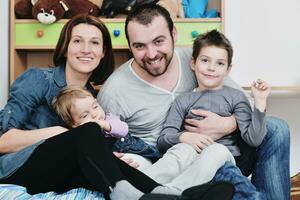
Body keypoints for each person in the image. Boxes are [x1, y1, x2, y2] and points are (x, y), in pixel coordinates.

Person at [0, 14, 232, 200]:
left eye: (94, 43)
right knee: (89, 131)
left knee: (107, 156)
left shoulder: (94, 97)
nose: (86, 49)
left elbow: (100, 143)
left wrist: (112, 156)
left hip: (60, 172)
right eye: (77, 41)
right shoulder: (38, 79)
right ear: (65, 47)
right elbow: (3, 141)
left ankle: (170, 195)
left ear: (103, 53)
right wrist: (61, 133)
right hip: (17, 169)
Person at [97, 3, 290, 200]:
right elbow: (100, 140)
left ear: (174, 34)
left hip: (225, 151)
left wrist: (227, 124)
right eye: (140, 46)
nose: (152, 54)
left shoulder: (199, 59)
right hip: (171, 159)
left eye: (158, 41)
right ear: (130, 45)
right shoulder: (115, 90)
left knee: (276, 128)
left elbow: (244, 105)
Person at [157, 29, 271, 186]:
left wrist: (260, 101)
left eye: (220, 63)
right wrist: (184, 137)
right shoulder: (182, 100)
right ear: (193, 63)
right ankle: (144, 189)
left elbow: (254, 139)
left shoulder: (237, 97)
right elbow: (163, 139)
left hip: (225, 163)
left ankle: (173, 191)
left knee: (216, 151)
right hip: (191, 160)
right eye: (205, 60)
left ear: (228, 69)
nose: (211, 68)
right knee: (180, 153)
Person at [52, 85, 128, 138]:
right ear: (73, 123)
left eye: (95, 107)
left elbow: (124, 130)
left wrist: (106, 125)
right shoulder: (80, 135)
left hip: (132, 149)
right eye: (85, 115)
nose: (94, 114)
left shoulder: (109, 119)